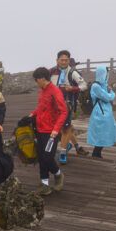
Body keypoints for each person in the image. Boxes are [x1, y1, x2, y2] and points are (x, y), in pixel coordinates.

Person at [29, 66, 67, 194]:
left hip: (51, 131)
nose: (36, 83)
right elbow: (41, 108)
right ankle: (44, 185)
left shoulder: (55, 92)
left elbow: (63, 112)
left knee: (47, 157)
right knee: (41, 157)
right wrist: (32, 114)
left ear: (41, 79)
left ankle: (58, 175)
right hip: (40, 129)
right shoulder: (43, 91)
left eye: (36, 80)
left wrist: (56, 130)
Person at [51, 51, 87, 163]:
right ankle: (74, 146)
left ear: (69, 60)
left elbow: (84, 85)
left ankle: (63, 153)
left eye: (66, 60)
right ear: (57, 60)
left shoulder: (73, 72)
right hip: (53, 104)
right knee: (64, 127)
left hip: (67, 104)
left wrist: (73, 88)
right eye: (62, 60)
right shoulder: (51, 72)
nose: (64, 62)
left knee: (66, 128)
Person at [86, 65, 116, 158]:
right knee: (100, 133)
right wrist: (112, 92)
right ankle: (96, 154)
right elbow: (108, 98)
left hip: (105, 112)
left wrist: (109, 91)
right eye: (106, 73)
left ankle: (97, 153)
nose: (107, 75)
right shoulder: (96, 86)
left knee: (104, 132)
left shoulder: (103, 85)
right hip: (100, 113)